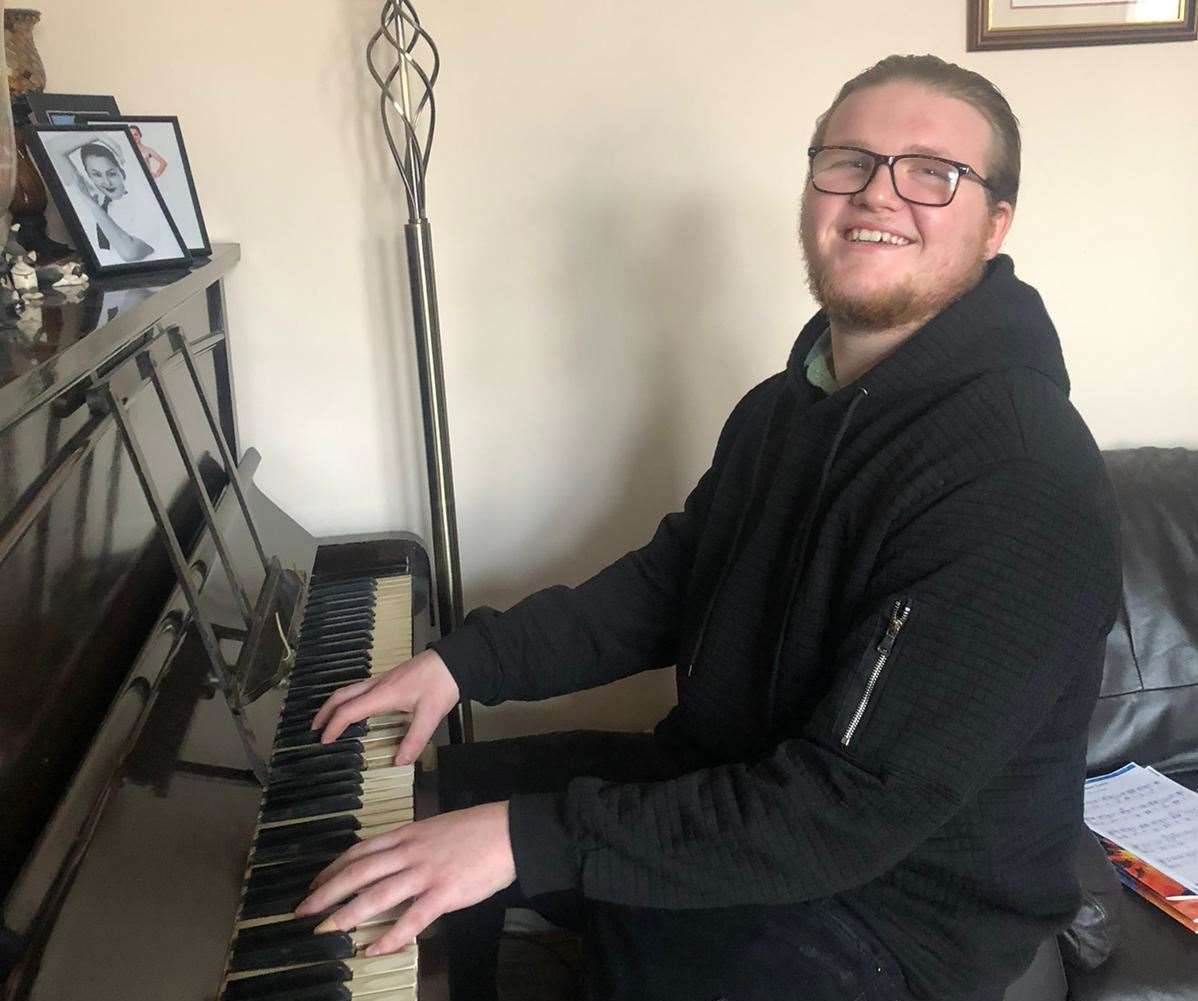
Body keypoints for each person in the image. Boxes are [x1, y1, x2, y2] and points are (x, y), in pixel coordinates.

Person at [296, 54, 1122, 1001]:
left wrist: (527, 840)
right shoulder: (784, 406)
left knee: (514, 851)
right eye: (848, 160)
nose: (877, 194)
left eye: (932, 172)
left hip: (890, 912)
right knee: (436, 804)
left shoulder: (1016, 473)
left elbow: (845, 813)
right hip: (735, 782)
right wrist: (462, 664)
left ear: (995, 225)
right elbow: (671, 583)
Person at [44, 132, 175, 265]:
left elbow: (130, 253)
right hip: (93, 273)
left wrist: (91, 203)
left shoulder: (142, 204)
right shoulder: (92, 193)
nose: (106, 182)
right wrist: (96, 135)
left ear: (121, 172)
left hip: (141, 278)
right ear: (89, 176)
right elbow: (52, 148)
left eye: (111, 174)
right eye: (97, 175)